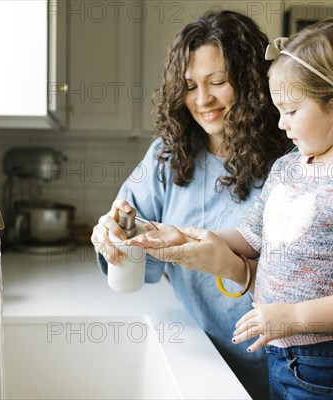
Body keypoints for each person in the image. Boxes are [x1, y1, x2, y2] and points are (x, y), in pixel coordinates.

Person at [126, 16, 333, 400]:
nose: (281, 124)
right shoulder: (289, 167)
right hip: (281, 355)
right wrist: (186, 235)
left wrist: (294, 317)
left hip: (330, 363)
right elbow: (251, 237)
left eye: (291, 111)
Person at [91, 10, 289, 399]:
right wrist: (114, 236)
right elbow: (138, 261)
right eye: (190, 86)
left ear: (250, 82)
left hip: (279, 367)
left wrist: (230, 265)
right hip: (198, 356)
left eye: (217, 82)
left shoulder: (290, 160)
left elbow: (310, 282)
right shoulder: (167, 157)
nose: (203, 100)